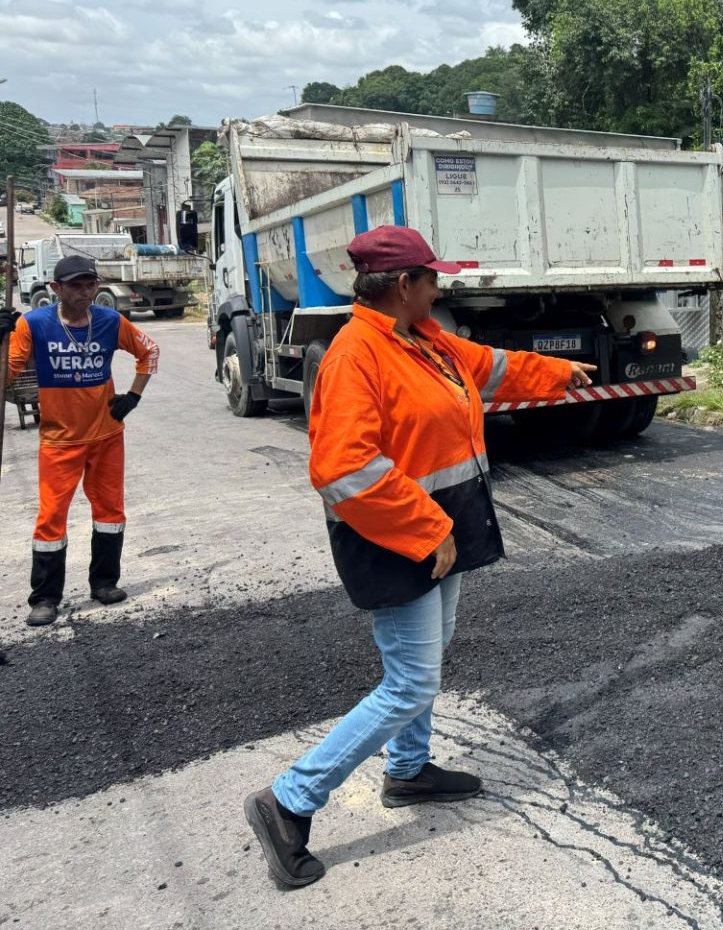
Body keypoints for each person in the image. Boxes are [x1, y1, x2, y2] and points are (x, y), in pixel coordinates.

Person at [243, 225, 596, 890]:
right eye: (432, 278)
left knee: (428, 660)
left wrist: (557, 371)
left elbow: (491, 366)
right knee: (409, 682)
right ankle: (287, 800)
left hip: (439, 532)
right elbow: (341, 467)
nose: (441, 286)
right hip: (397, 537)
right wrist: (426, 528)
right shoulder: (357, 356)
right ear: (403, 286)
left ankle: (408, 770)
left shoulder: (422, 340)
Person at [3, 255, 159, 627]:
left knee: (109, 512)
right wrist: (1, 340)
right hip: (59, 441)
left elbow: (149, 351)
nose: (86, 292)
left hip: (106, 436)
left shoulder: (109, 320)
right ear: (56, 288)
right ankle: (44, 598)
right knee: (51, 519)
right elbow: (6, 376)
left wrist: (133, 396)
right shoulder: (33, 324)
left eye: (91, 284)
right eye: (76, 285)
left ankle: (105, 583)